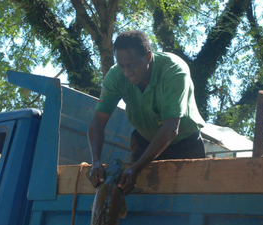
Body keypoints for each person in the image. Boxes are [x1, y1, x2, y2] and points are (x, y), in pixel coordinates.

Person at [87, 30, 206, 194]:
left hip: (185, 144)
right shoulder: (115, 77)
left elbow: (171, 127)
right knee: (132, 195)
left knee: (192, 200)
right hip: (145, 143)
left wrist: (135, 168)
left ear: (148, 56)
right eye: (121, 66)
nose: (126, 72)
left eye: (132, 65)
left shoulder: (174, 71)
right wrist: (95, 162)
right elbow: (97, 123)